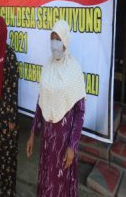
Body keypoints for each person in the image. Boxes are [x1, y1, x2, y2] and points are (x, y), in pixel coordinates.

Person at [26, 20, 86, 197]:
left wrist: (72, 147)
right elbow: (40, 102)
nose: (54, 43)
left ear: (65, 40)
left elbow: (80, 112)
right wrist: (32, 134)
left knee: (60, 185)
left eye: (57, 38)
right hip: (47, 140)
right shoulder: (47, 66)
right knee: (47, 181)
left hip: (63, 143)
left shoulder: (74, 70)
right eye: (52, 38)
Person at [0, 16, 19, 196]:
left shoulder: (10, 56)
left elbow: (13, 91)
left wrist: (12, 119)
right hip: (0, 112)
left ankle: (8, 190)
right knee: (0, 151)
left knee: (8, 153)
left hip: (8, 117)